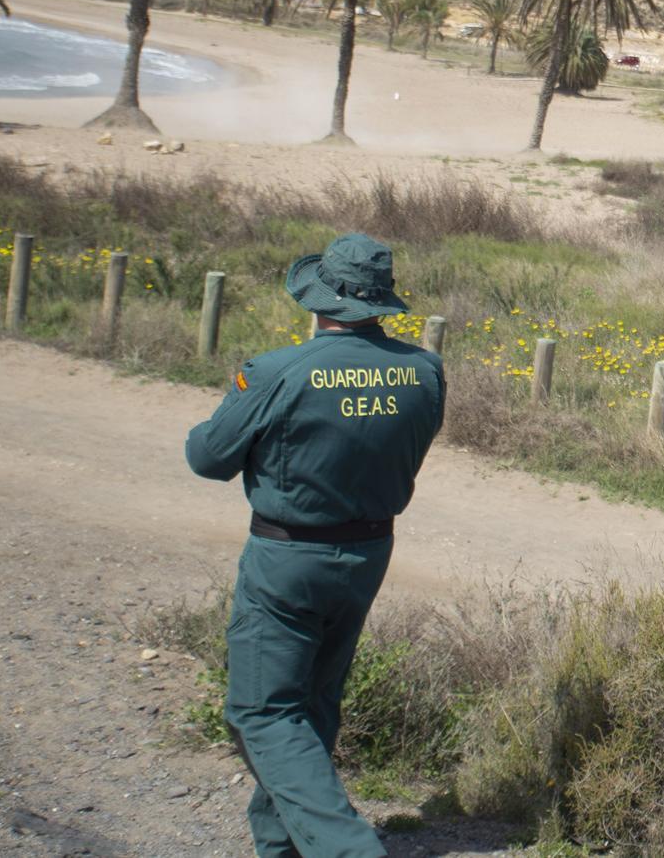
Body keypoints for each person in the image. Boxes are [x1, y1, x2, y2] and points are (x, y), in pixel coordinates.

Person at [184, 233, 445, 858]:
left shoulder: (277, 370)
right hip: (368, 555)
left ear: (317, 300)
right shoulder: (424, 371)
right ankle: (282, 847)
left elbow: (207, 457)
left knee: (263, 713)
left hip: (288, 557)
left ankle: (348, 849)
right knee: (312, 704)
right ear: (382, 302)